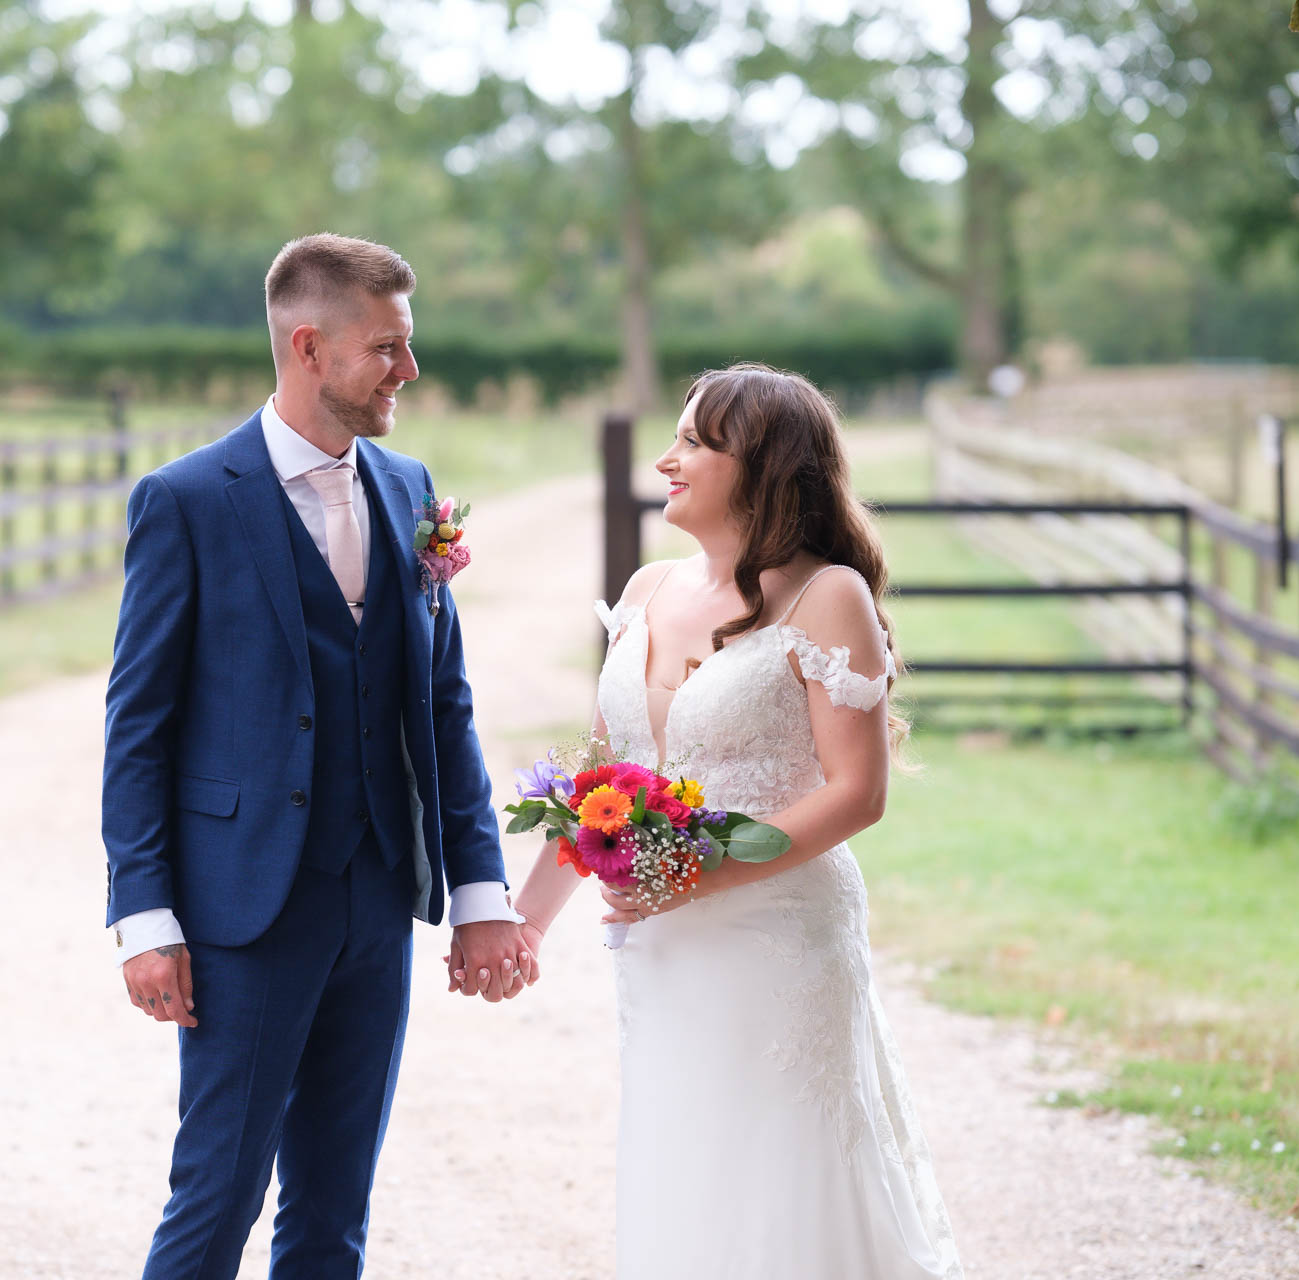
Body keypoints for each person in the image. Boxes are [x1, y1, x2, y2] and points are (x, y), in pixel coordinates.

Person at [464, 364, 964, 1278]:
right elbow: (602, 779)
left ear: (763, 464)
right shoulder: (649, 588)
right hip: (661, 947)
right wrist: (526, 922)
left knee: (780, 1165)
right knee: (685, 1158)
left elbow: (858, 791)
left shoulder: (828, 597)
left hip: (777, 936)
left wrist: (701, 877)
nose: (668, 459)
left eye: (694, 441)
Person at [102, 232, 535, 1279]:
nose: (409, 371)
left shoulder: (409, 485)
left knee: (336, 1205)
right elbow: (138, 725)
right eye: (386, 348)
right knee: (219, 1190)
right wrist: (145, 915)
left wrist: (480, 888)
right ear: (308, 346)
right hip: (243, 912)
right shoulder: (188, 500)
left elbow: (443, 702)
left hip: (376, 901)